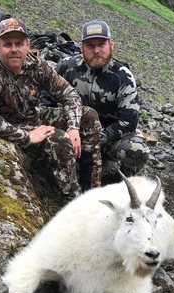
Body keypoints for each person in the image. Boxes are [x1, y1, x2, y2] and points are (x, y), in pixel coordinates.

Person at [0, 18, 102, 203]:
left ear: (27, 45)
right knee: (59, 140)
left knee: (89, 116)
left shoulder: (38, 66)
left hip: (34, 118)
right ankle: (73, 202)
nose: (14, 49)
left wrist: (73, 127)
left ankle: (93, 193)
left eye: (19, 43)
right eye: (7, 44)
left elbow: (70, 95)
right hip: (12, 129)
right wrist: (27, 137)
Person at [55, 20, 149, 184]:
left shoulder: (123, 77)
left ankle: (124, 186)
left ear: (111, 44)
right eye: (90, 45)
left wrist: (94, 139)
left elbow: (128, 122)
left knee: (136, 149)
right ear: (81, 46)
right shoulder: (66, 67)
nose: (96, 50)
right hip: (73, 132)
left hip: (108, 138)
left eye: (101, 44)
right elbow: (47, 102)